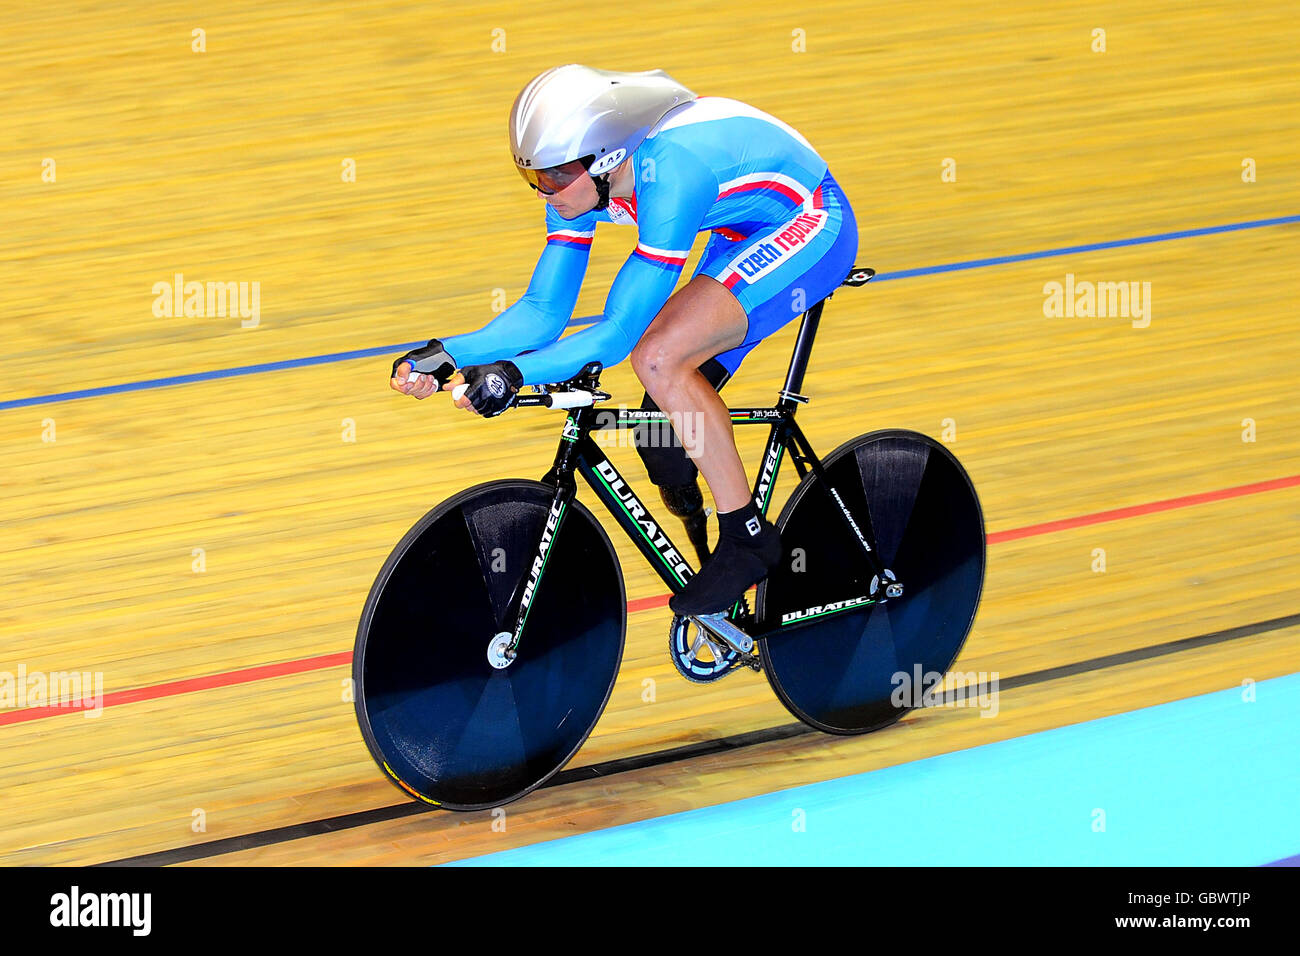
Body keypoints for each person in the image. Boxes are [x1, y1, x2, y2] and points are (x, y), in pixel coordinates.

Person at [391, 64, 858, 617]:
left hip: (812, 224)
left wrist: (514, 374)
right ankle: (721, 556)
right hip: (741, 230)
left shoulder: (671, 177)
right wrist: (451, 355)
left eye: (556, 175)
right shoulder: (580, 185)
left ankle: (747, 537)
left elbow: (618, 334)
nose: (546, 190)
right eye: (536, 177)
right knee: (661, 437)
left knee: (658, 358)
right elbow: (544, 312)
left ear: (604, 159)